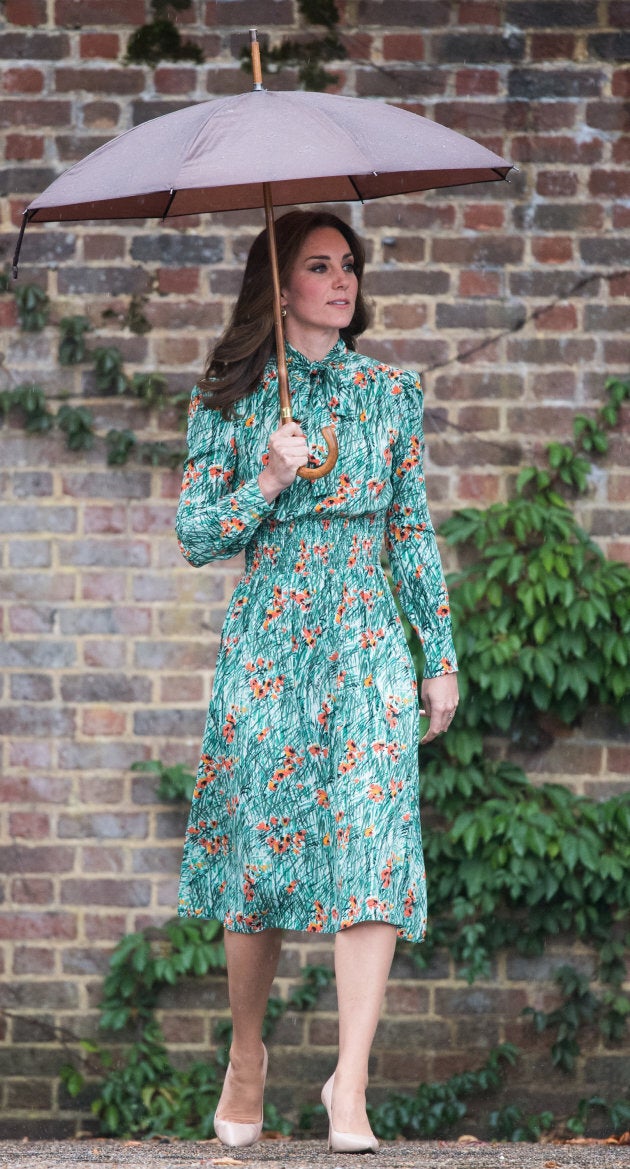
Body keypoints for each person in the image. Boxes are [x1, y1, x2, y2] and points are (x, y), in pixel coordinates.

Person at [175, 209, 459, 1152]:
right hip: (271, 638)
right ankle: (248, 1053)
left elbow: (409, 528)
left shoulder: (391, 392)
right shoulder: (229, 401)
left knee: (373, 846)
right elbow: (194, 537)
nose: (342, 281)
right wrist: (264, 477)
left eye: (350, 266)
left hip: (367, 634)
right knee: (263, 855)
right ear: (280, 283)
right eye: (320, 266)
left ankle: (351, 1083)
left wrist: (440, 653)